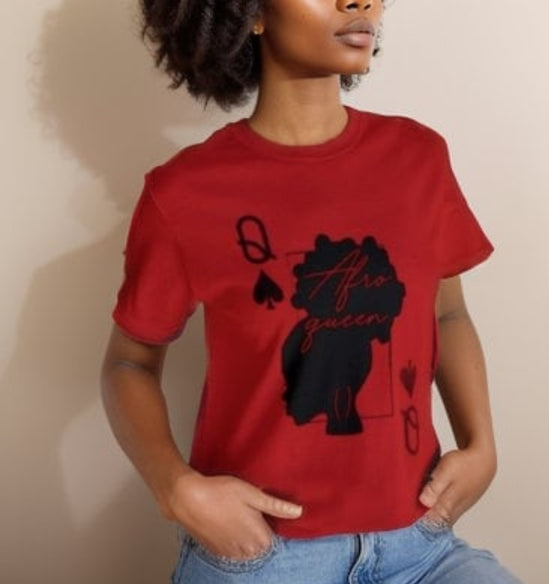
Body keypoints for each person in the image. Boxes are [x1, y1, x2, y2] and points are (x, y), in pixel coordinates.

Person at [101, 1, 523, 582]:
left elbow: (446, 314)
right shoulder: (184, 192)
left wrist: (482, 446)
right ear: (250, 12)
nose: (361, 2)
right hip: (265, 555)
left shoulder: (417, 158)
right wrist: (175, 488)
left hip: (419, 546)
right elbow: (128, 361)